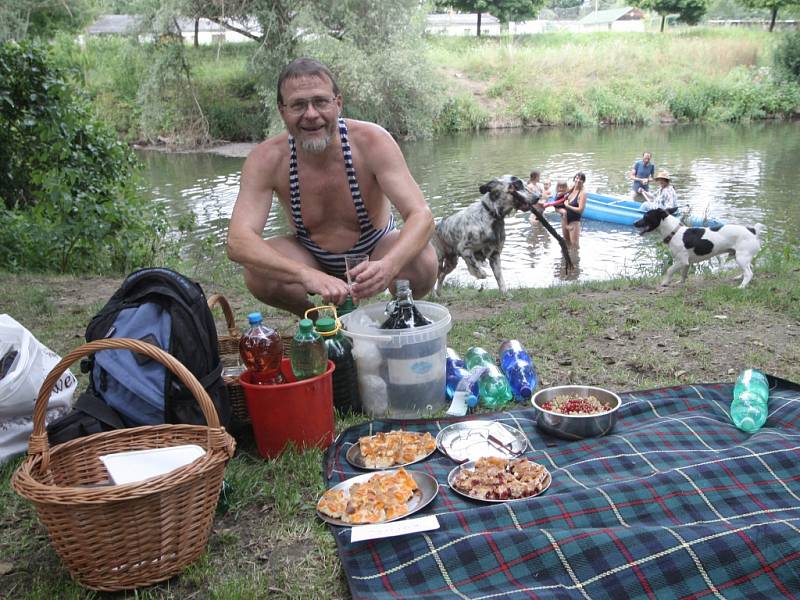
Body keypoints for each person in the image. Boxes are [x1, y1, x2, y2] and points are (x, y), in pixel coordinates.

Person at [227, 58, 438, 316]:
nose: (311, 114)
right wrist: (305, 275)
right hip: (310, 256)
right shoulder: (267, 159)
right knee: (257, 273)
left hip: (376, 249)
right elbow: (239, 242)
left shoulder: (372, 141)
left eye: (320, 101)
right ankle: (317, 322)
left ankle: (396, 317)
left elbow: (422, 216)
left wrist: (388, 266)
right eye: (298, 105)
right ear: (282, 111)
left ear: (338, 103)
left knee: (423, 262)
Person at [556, 172, 587, 248]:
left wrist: (568, 206)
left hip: (574, 221)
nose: (578, 180)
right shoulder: (571, 187)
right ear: (574, 179)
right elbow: (561, 194)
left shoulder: (583, 193)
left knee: (574, 246)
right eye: (577, 178)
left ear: (583, 181)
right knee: (566, 242)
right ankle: (565, 259)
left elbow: (580, 210)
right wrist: (563, 193)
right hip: (565, 219)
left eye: (581, 179)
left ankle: (574, 259)